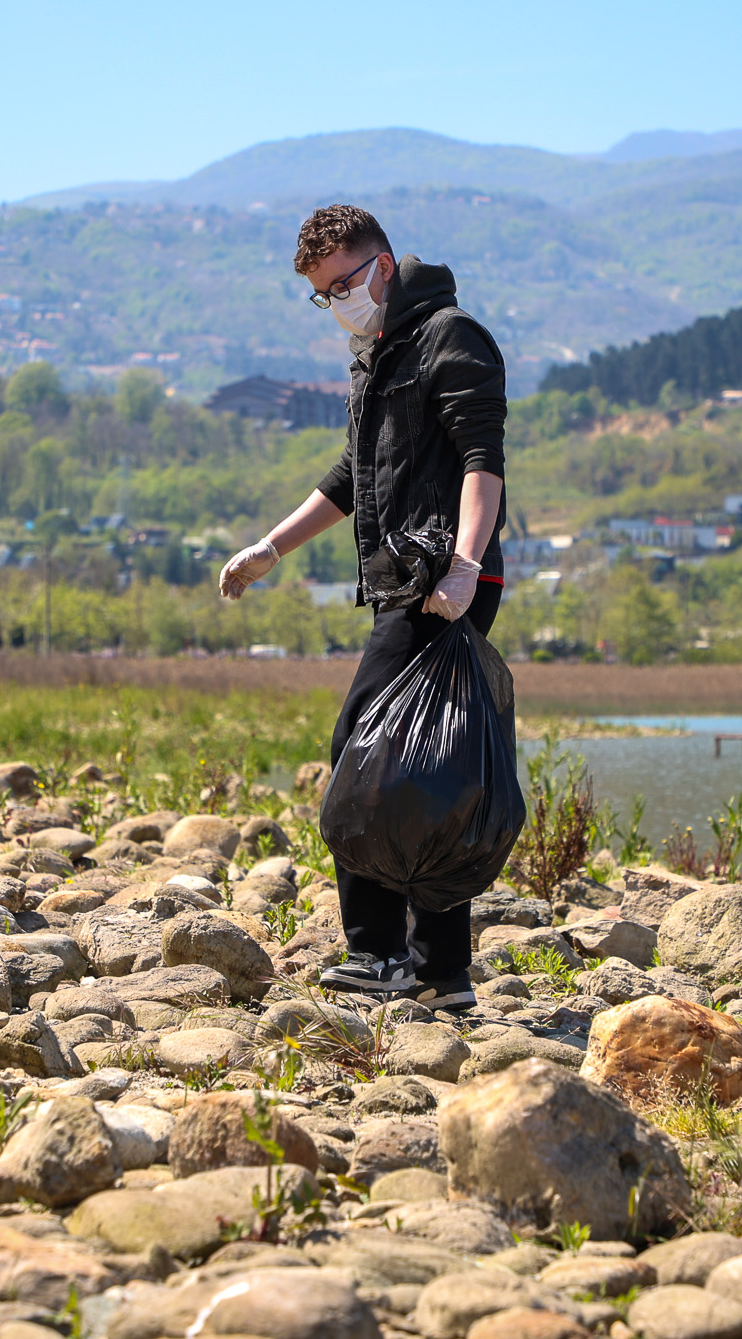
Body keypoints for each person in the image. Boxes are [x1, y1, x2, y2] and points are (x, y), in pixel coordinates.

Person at [218, 204, 506, 1011]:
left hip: (444, 584)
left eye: (343, 283)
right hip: (400, 581)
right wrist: (270, 548)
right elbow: (353, 475)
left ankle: (378, 954)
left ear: (382, 264)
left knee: (364, 752)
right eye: (323, 294)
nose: (338, 301)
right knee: (420, 765)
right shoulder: (374, 353)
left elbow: (484, 462)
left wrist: (465, 565)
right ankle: (441, 974)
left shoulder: (451, 337)